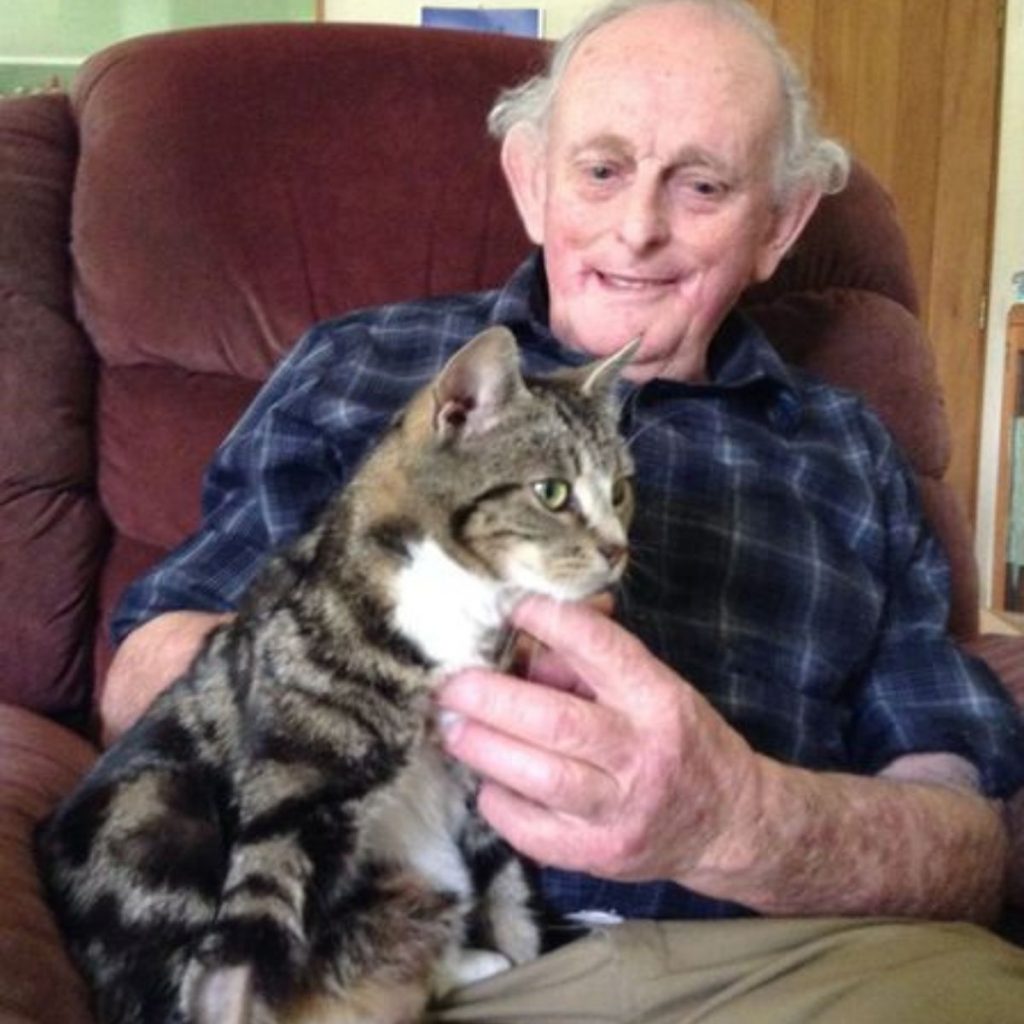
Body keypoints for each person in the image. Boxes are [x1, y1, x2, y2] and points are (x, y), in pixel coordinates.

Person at [105, 0, 1024, 1019]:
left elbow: (969, 838)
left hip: (788, 962)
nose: (639, 228)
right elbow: (146, 666)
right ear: (530, 183)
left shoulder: (849, 449)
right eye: (600, 170)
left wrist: (736, 818)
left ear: (781, 223)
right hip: (397, 954)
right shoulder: (364, 367)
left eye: (703, 184)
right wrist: (422, 676)